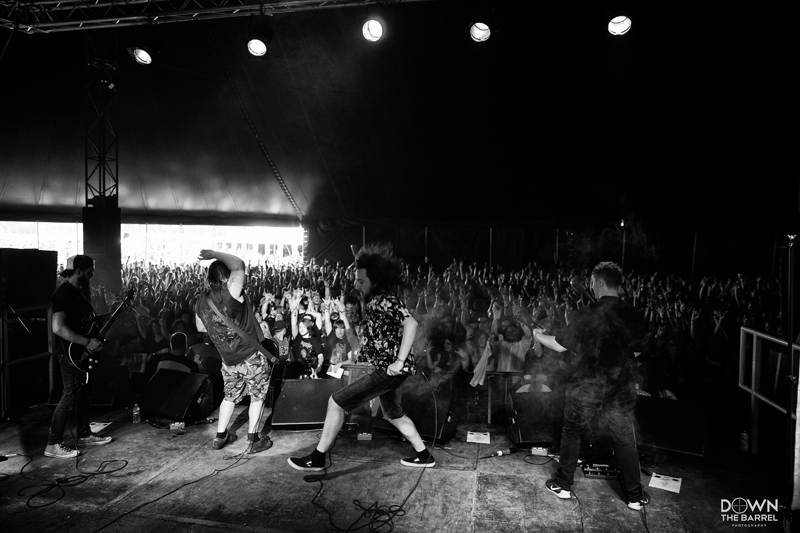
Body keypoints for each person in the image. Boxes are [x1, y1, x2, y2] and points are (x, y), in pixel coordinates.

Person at [288, 243, 434, 471]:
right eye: (356, 280)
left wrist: (399, 361)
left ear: (376, 280)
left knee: (335, 402)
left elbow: (411, 323)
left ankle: (317, 458)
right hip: (389, 370)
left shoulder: (385, 299)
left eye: (361, 281)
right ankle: (424, 455)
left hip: (388, 370)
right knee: (394, 414)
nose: (357, 285)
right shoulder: (375, 300)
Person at [533, 261, 649, 511]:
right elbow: (639, 351)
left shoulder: (588, 312)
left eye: (591, 281)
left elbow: (560, 345)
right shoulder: (633, 313)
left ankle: (563, 484)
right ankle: (634, 497)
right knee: (625, 439)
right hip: (620, 387)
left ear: (598, 282)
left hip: (587, 384)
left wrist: (537, 335)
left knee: (572, 431)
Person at [194, 249, 272, 454]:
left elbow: (201, 328)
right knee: (257, 396)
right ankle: (254, 440)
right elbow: (239, 264)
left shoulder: (201, 301)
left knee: (229, 396)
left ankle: (220, 437)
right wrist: (213, 254)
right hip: (250, 356)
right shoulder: (230, 292)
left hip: (227, 360)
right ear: (225, 277)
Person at [45, 255, 114, 459]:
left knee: (86, 393)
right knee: (70, 395)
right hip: (71, 354)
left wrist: (114, 314)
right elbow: (58, 327)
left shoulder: (81, 292)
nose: (92, 273)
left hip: (85, 352)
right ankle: (53, 442)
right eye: (90, 269)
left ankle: (84, 433)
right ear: (78, 271)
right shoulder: (63, 294)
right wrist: (86, 342)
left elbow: (88, 322)